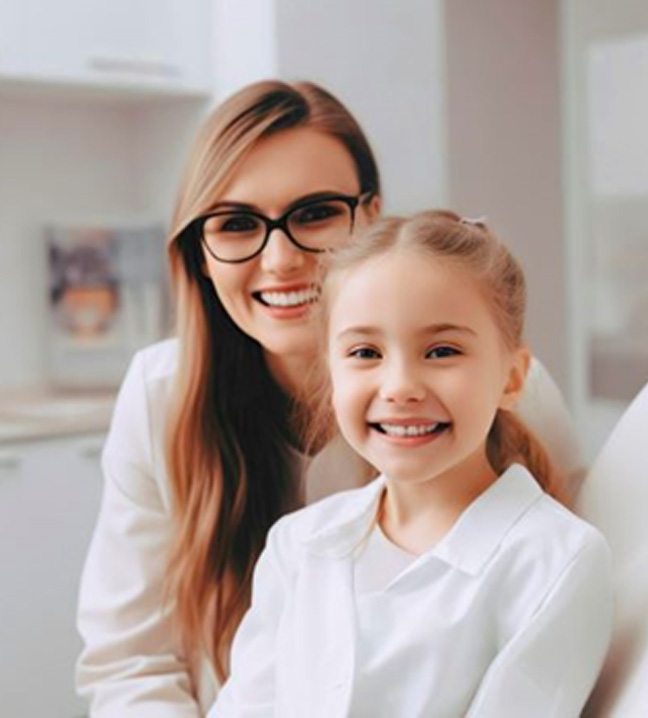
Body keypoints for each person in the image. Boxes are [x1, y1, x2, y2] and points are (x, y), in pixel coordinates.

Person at [76, 81, 583, 717]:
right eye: (235, 225)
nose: (281, 258)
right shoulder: (161, 395)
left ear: (369, 218)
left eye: (315, 213)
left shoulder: (499, 394)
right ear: (202, 255)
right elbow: (129, 662)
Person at [209, 211, 613, 717]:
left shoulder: (554, 560)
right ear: (331, 377)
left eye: (441, 351)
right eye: (365, 352)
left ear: (512, 379)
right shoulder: (298, 545)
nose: (400, 386)